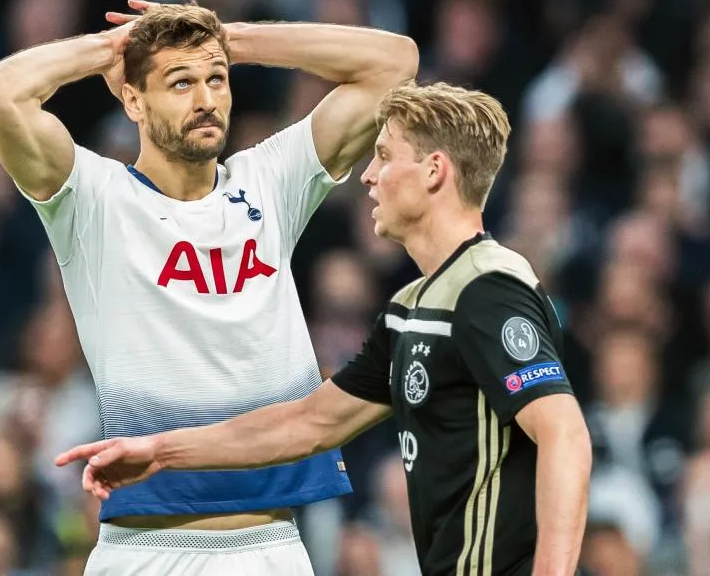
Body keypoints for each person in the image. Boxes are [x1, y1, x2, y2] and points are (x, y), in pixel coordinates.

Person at [57, 82, 593, 576]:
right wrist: (162, 452)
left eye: (383, 156)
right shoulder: (415, 304)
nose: (368, 174)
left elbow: (564, 434)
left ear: (434, 171)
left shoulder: (487, 288)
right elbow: (309, 423)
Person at [0, 0, 418, 575]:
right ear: (133, 98)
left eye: (217, 79)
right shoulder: (93, 199)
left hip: (273, 547)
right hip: (147, 552)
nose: (207, 99)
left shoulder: (268, 182)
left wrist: (229, 38)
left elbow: (395, 63)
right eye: (180, 82)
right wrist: (113, 49)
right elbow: (0, 92)